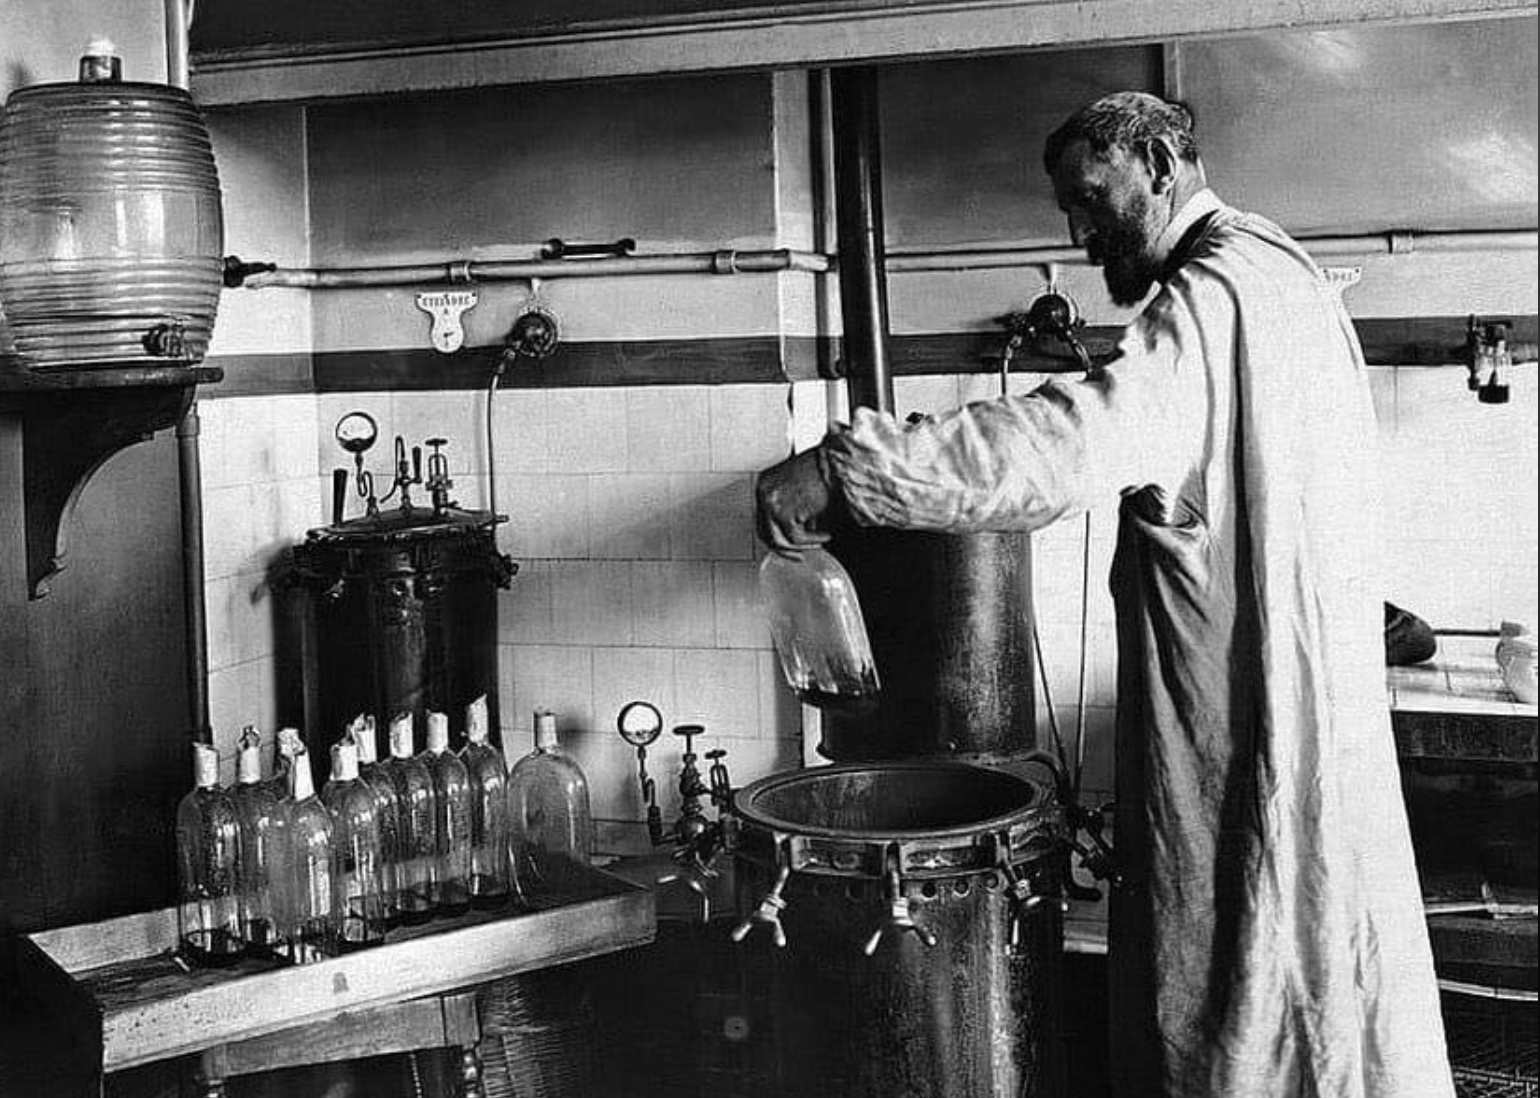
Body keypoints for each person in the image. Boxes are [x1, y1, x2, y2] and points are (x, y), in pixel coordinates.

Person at [755, 92, 1454, 1098]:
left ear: (1161, 165)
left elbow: (1066, 445)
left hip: (1244, 724)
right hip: (1304, 707)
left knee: (1238, 992)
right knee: (1321, 995)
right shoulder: (1281, 271)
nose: (1080, 232)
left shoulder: (1209, 300)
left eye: (1091, 197)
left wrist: (849, 470)